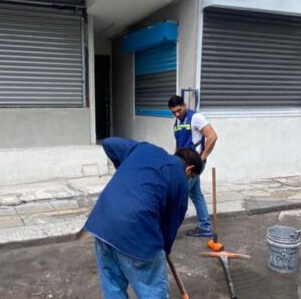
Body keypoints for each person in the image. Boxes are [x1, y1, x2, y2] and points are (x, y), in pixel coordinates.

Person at [84, 137, 203, 298]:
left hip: (102, 225)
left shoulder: (145, 149)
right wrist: (164, 249)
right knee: (151, 289)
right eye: (192, 177)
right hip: (136, 233)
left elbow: (108, 144)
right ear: (189, 169)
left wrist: (127, 172)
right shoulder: (180, 181)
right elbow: (171, 225)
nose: (189, 180)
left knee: (112, 285)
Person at [168, 95, 218, 237]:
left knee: (178, 196)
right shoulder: (177, 122)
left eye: (178, 110)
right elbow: (179, 146)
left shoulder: (196, 117)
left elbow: (212, 136)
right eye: (173, 112)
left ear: (184, 105)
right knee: (195, 194)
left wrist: (201, 159)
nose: (176, 114)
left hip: (192, 166)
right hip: (182, 165)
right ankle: (205, 226)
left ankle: (167, 230)